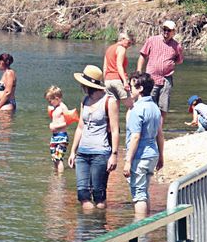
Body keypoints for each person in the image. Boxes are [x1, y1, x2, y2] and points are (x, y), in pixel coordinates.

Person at [68, 65, 119, 210]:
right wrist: (73, 151)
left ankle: (99, 229)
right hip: (82, 153)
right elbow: (80, 127)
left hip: (101, 153)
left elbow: (115, 130)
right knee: (83, 195)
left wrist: (114, 155)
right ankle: (86, 230)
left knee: (99, 196)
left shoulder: (110, 101)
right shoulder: (85, 100)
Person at [123, 72, 164, 217]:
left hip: (140, 156)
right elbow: (160, 134)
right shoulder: (155, 108)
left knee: (138, 194)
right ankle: (146, 226)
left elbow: (135, 137)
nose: (129, 89)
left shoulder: (137, 109)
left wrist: (128, 161)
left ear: (140, 89)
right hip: (152, 155)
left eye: (132, 86)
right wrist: (161, 156)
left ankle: (140, 230)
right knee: (144, 192)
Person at [137, 20, 184, 123]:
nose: (166, 32)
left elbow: (179, 60)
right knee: (149, 104)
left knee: (163, 106)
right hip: (151, 78)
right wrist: (139, 73)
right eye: (164, 29)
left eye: (169, 30)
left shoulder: (177, 46)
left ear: (173, 32)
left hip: (166, 79)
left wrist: (169, 63)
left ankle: (159, 131)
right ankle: (148, 128)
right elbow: (142, 56)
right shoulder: (152, 40)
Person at [103, 31, 134, 109]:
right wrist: (125, 81)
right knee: (131, 107)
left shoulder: (109, 49)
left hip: (108, 81)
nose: (130, 45)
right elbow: (119, 66)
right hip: (118, 80)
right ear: (123, 39)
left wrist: (105, 81)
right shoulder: (121, 49)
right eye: (129, 42)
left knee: (113, 108)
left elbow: (105, 68)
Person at [44, 86, 70, 173]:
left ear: (57, 98)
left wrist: (56, 127)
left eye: (50, 101)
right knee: (54, 158)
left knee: (59, 158)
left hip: (62, 136)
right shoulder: (55, 108)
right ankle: (55, 175)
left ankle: (60, 178)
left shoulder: (63, 107)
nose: (50, 103)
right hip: (54, 137)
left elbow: (68, 122)